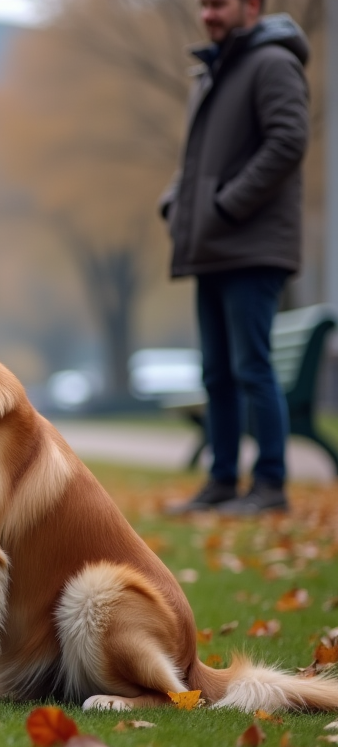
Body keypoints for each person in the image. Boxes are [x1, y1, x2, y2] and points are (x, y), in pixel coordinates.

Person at [161, 0, 309, 515]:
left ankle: (269, 487)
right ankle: (221, 482)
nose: (207, 15)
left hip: (253, 246)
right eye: (203, 5)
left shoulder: (272, 62)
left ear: (252, 7)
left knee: (252, 368)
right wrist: (176, 201)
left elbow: (288, 141)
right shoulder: (216, 68)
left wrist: (226, 204)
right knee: (217, 373)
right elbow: (198, 160)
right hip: (215, 246)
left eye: (218, 4)